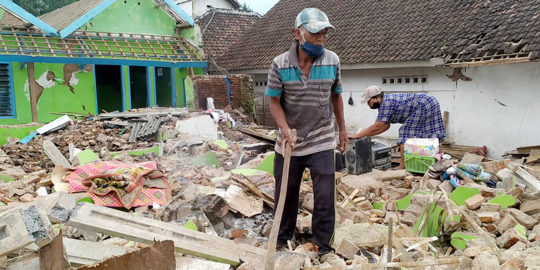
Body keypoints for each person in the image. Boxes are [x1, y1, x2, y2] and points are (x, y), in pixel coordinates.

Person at [265, 8, 348, 266]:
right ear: (298, 34)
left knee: (324, 195)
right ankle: (282, 238)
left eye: (324, 33)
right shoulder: (280, 64)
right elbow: (274, 102)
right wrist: (284, 129)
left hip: (321, 137)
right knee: (286, 193)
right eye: (315, 33)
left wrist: (342, 129)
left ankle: (324, 247)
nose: (321, 38)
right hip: (290, 140)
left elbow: (336, 95)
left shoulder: (332, 60)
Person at [349, 86, 446, 169]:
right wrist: (366, 135)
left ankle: (403, 165)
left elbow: (377, 126)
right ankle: (428, 160)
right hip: (429, 101)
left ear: (376, 98)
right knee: (425, 133)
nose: (367, 104)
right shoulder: (384, 103)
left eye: (368, 101)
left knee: (405, 132)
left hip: (424, 104)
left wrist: (357, 135)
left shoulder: (386, 104)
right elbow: (385, 126)